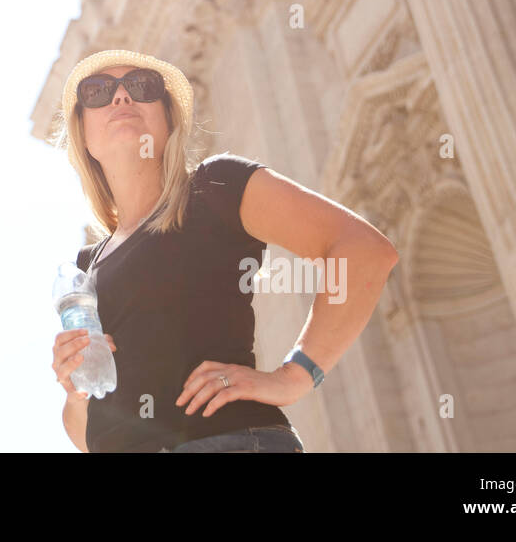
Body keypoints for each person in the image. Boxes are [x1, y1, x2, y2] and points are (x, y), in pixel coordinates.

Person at [49, 49, 399, 453]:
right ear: (84, 135)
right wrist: (76, 388)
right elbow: (91, 437)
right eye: (98, 91)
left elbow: (364, 250)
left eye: (142, 86)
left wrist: (294, 377)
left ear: (168, 120)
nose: (122, 97)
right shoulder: (85, 266)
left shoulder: (216, 187)